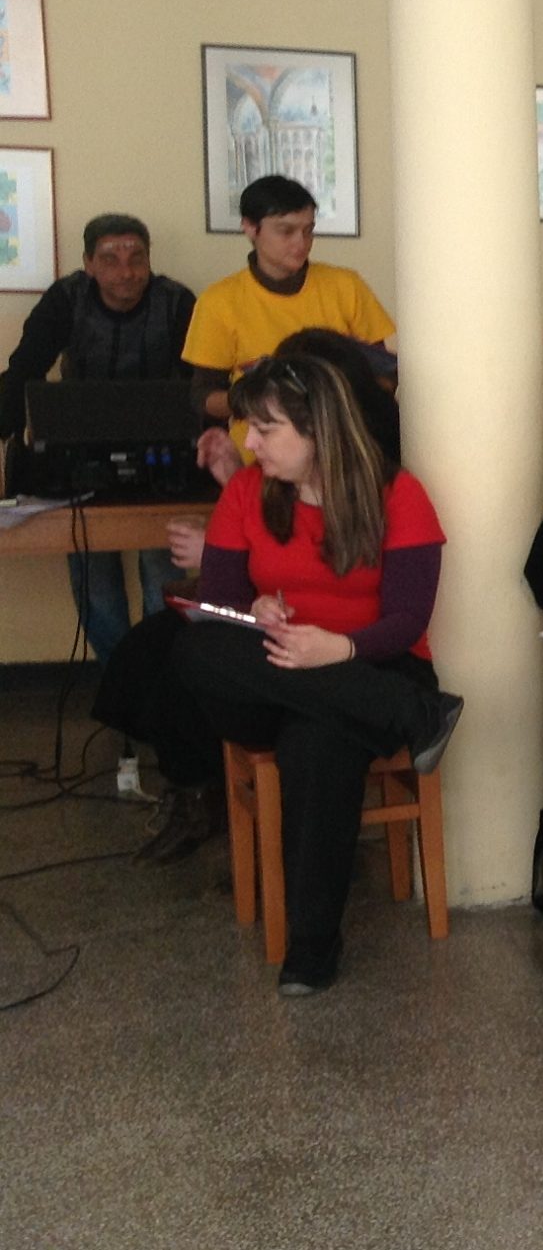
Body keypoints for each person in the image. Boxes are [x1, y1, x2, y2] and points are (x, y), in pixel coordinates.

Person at [169, 354, 462, 995]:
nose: (250, 443)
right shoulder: (247, 492)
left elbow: (408, 619)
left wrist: (341, 649)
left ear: (318, 427)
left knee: (320, 740)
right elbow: (217, 602)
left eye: (266, 428)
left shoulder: (398, 493)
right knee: (195, 648)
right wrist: (255, 608)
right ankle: (416, 713)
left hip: (374, 662)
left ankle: (311, 947)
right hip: (282, 673)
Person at [102, 331, 404, 866]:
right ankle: (205, 791)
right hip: (273, 616)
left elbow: (333, 559)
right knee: (154, 651)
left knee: (186, 667)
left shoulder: (373, 466)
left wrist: (224, 549)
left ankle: (227, 799)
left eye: (269, 424)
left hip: (340, 633)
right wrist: (230, 496)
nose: (256, 437)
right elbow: (263, 537)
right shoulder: (274, 471)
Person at [0, 213, 197, 657]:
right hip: (78, 452)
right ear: (88, 263)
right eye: (110, 259)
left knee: (162, 569)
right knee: (93, 571)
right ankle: (118, 673)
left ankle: (158, 675)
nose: (126, 271)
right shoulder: (65, 299)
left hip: (160, 452)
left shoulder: (176, 301)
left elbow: (201, 381)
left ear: (149, 260)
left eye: (136, 258)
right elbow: (25, 368)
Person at [182, 174, 395, 474]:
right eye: (286, 231)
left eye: (308, 230)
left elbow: (385, 375)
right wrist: (258, 397)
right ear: (250, 228)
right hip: (261, 461)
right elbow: (203, 397)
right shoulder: (218, 302)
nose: (301, 243)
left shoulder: (346, 286)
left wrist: (338, 397)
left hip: (343, 458)